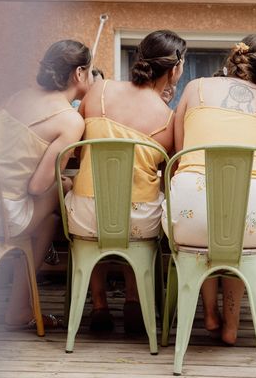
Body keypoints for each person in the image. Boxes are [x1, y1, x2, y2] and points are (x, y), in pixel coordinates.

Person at [0, 39, 93, 329]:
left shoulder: (18, 96)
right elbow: (37, 186)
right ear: (79, 73)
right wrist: (66, 184)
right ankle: (19, 308)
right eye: (91, 72)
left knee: (46, 221)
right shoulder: (70, 120)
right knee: (59, 194)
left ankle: (18, 302)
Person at [65, 29, 186, 333]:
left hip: (87, 216)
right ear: (174, 70)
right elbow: (173, 169)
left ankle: (99, 304)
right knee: (141, 203)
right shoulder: (169, 120)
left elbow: (78, 150)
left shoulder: (99, 91)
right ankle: (134, 300)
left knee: (95, 201)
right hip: (138, 219)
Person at [164, 35, 256, 346]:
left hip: (188, 214)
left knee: (203, 217)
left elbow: (179, 152)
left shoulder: (194, 87)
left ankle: (209, 310)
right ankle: (231, 323)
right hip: (249, 220)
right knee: (236, 213)